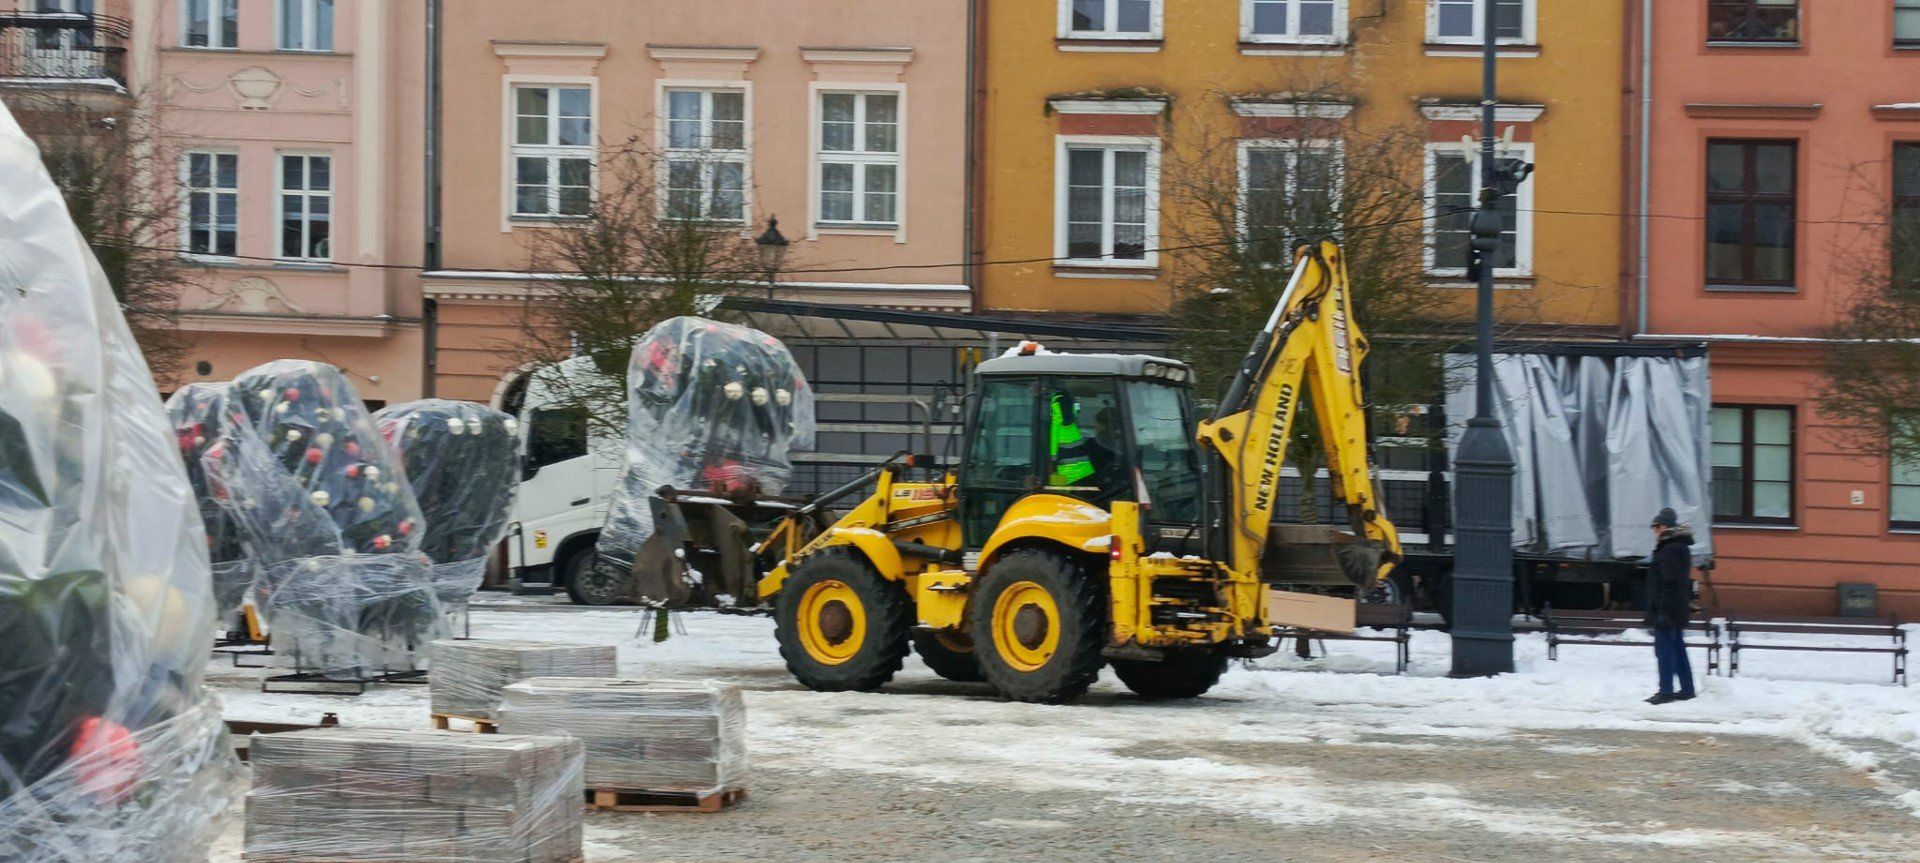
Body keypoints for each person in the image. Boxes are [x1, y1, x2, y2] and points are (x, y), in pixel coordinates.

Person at [1644, 507, 1697, 704]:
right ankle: (1687, 688)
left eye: (1657, 526)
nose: (1655, 530)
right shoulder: (1677, 546)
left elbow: (1670, 582)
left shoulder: (1670, 549)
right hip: (1675, 608)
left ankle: (1666, 691)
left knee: (1665, 650)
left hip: (1668, 610)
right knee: (1677, 648)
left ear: (1666, 526)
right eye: (1653, 526)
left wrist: (1663, 612)